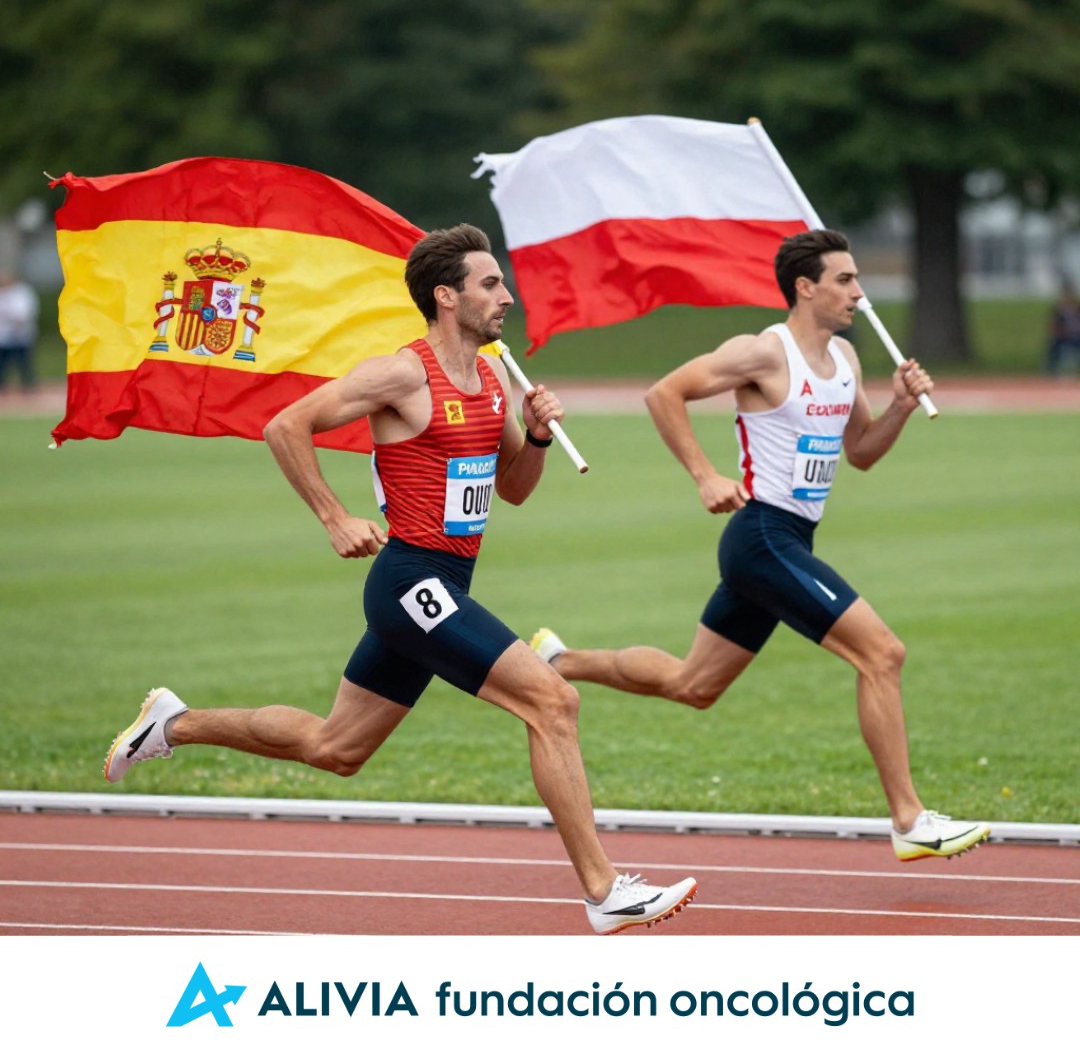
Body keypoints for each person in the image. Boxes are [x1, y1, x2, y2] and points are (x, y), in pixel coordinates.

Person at [104, 224, 696, 935]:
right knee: (553, 700)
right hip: (410, 580)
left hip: (447, 585)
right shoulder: (403, 375)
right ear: (447, 297)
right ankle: (603, 891)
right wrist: (334, 517)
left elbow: (513, 489)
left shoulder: (492, 379)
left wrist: (536, 434)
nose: (506, 296)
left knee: (337, 749)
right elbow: (285, 426)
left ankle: (174, 722)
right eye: (490, 284)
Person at [531, 229, 990, 863]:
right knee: (882, 654)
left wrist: (902, 407)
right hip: (762, 536)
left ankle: (559, 662)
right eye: (845, 280)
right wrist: (705, 475)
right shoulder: (763, 353)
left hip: (790, 539)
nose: (859, 292)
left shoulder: (846, 359)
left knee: (694, 684)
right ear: (806, 287)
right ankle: (909, 819)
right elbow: (663, 393)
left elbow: (860, 452)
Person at [0, 270, 39, 393]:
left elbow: (24, 313)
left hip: (20, 335)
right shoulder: (2, 294)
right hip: (4, 335)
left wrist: (17, 322)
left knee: (23, 361)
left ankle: (28, 384)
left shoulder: (22, 293)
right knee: (2, 362)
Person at [1044, 282, 1080, 377]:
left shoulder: (1078, 308)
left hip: (1077, 336)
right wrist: (1059, 333)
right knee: (1053, 345)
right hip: (1063, 337)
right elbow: (1052, 324)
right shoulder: (1058, 310)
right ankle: (1052, 370)